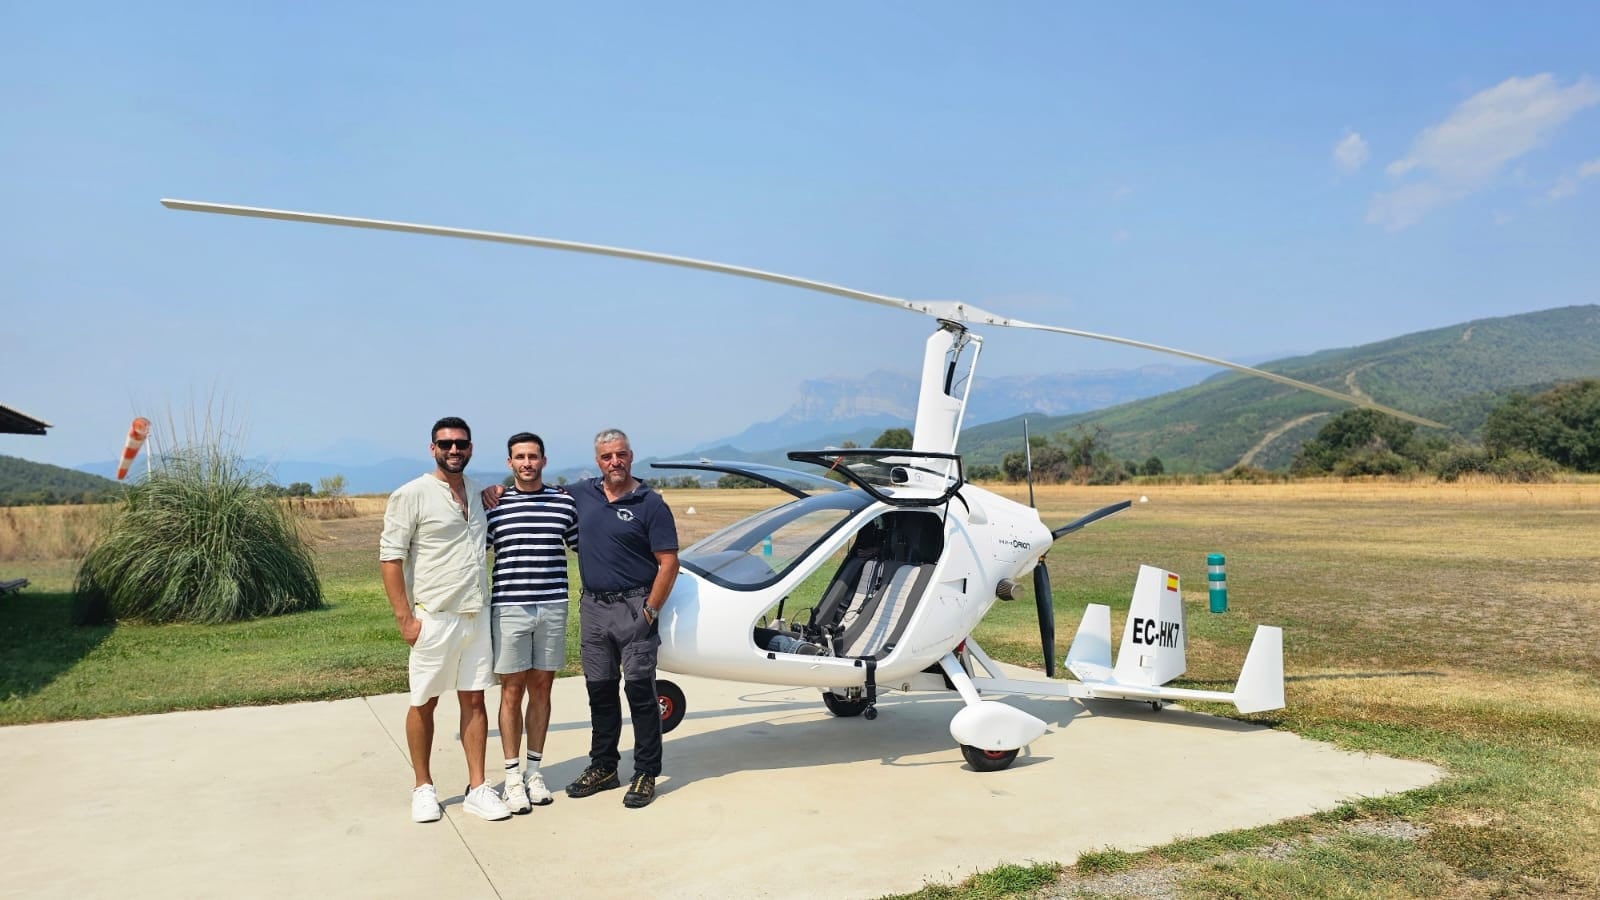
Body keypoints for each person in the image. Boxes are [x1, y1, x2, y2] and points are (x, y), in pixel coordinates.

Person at [380, 417, 511, 824]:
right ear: (432, 447)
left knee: (475, 699)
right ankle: (423, 787)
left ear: (470, 448)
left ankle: (477, 787)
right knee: (424, 701)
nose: (454, 451)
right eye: (446, 444)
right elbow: (391, 558)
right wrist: (405, 618)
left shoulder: (476, 491)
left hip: (475, 614)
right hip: (434, 617)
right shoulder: (412, 494)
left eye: (461, 444)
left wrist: (495, 492)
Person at [485, 432, 578, 813]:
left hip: (553, 605)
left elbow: (583, 546)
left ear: (544, 460)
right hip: (510, 607)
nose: (527, 463)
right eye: (520, 457)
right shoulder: (495, 505)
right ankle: (511, 777)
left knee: (542, 688)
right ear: (510, 463)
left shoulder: (563, 503)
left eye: (533, 456)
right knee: (511, 690)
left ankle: (534, 772)